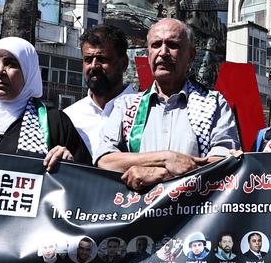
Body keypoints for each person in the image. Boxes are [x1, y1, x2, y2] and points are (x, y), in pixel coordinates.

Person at [94, 18, 238, 189]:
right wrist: (166, 158)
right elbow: (105, 160)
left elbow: (225, 164)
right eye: (156, 45)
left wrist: (163, 175)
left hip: (194, 212)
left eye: (172, 45)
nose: (163, 52)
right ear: (148, 54)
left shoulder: (213, 103)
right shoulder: (126, 106)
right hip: (139, 212)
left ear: (191, 55)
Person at [0, 37, 89, 168]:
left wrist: (70, 163)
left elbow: (88, 181)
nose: (0, 71)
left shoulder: (53, 123)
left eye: (11, 64)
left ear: (28, 72)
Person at [63, 24, 138, 150]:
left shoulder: (144, 111)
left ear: (124, 64)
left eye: (102, 59)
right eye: (88, 59)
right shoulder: (69, 118)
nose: (93, 66)